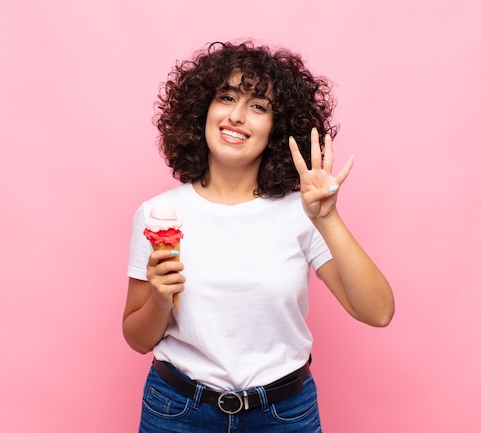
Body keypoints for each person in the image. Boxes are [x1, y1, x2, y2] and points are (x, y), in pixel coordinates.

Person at [123, 40, 394, 432]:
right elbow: (137, 338)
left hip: (284, 415)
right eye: (226, 97)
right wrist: (161, 300)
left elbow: (378, 312)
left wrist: (329, 218)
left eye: (258, 106)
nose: (236, 116)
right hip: (178, 413)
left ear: (277, 128)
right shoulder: (157, 214)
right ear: (202, 109)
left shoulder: (303, 213)